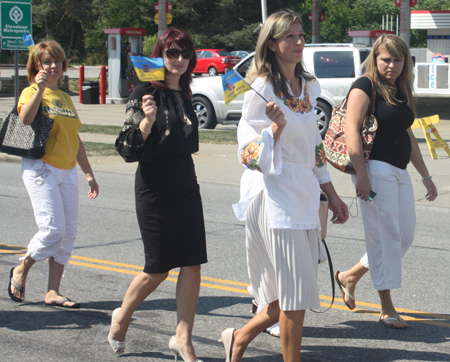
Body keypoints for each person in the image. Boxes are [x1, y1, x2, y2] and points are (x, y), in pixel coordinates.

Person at [222, 10, 349, 362]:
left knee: (301, 289)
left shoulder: (309, 86)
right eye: (289, 36)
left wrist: (333, 195)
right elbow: (247, 153)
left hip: (305, 195)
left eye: (300, 35)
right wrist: (274, 131)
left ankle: (239, 337)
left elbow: (315, 148)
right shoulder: (261, 87)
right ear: (273, 44)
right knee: (295, 295)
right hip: (275, 196)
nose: (297, 42)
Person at [112, 28, 207, 361]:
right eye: (172, 53)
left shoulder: (186, 93)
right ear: (160, 56)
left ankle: (183, 337)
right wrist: (146, 123)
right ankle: (122, 315)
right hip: (154, 188)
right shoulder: (145, 90)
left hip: (185, 185)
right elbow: (124, 147)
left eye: (184, 53)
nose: (179, 60)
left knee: (192, 264)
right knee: (158, 267)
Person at [335, 34, 438, 329]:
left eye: (397, 59)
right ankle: (387, 307)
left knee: (403, 235)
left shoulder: (400, 89)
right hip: (375, 169)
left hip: (399, 170)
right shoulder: (365, 85)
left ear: (405, 61)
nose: (391, 65)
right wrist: (362, 176)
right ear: (375, 59)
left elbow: (408, 134)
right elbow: (352, 130)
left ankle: (350, 276)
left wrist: (426, 176)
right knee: (384, 236)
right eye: (385, 59)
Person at [7, 40, 99, 308]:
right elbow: (24, 118)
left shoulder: (66, 98)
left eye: (57, 61)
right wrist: (39, 87)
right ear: (37, 67)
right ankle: (22, 269)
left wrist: (89, 173)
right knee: (52, 230)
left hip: (67, 171)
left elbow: (75, 138)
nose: (53, 66)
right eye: (47, 61)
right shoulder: (32, 91)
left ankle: (52, 292)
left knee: (68, 234)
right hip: (41, 168)